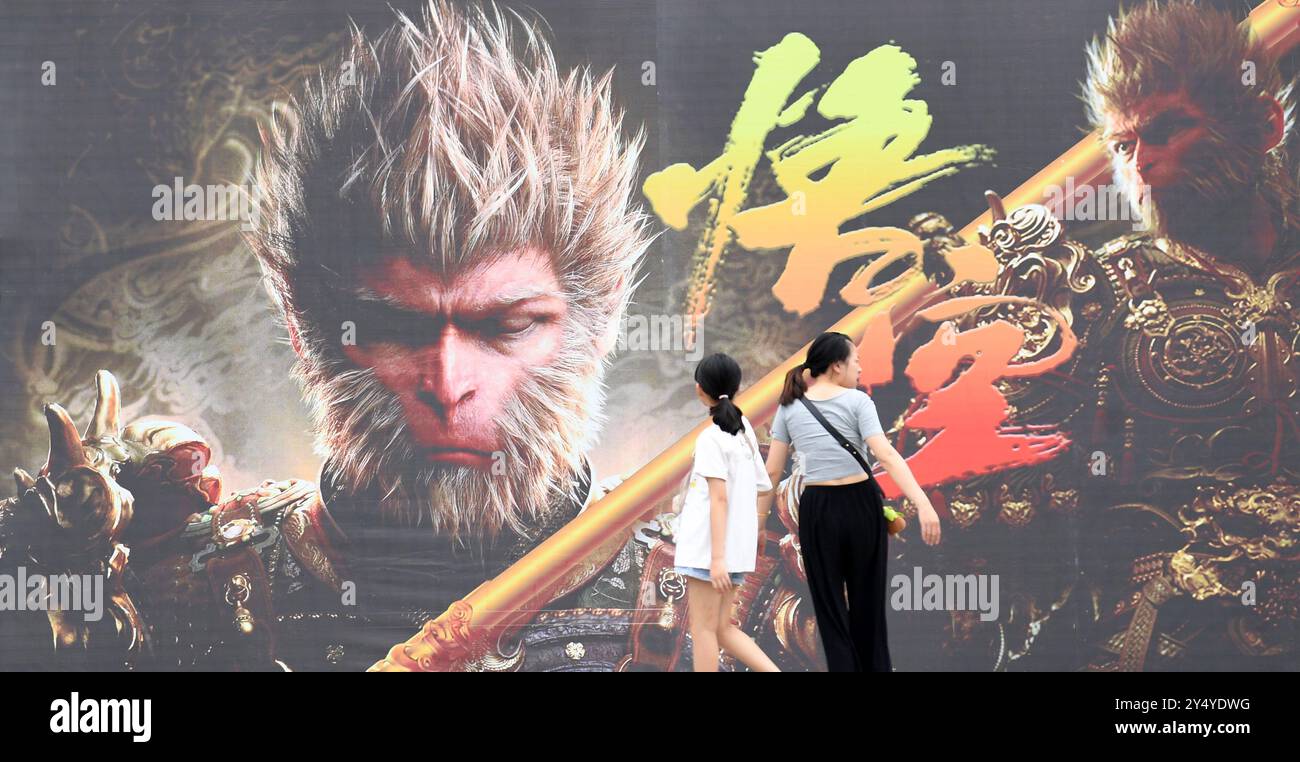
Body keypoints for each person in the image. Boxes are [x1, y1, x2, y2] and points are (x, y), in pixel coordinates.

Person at [760, 332, 941, 672]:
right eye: (855, 359)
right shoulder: (858, 403)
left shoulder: (790, 408)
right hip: (855, 506)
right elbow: (886, 456)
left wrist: (756, 523)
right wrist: (923, 503)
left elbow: (771, 473)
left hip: (814, 508)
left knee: (832, 620)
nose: (860, 366)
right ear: (837, 365)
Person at [674, 353, 780, 672]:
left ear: (699, 389)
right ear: (736, 387)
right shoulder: (743, 429)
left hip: (711, 550)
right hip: (735, 548)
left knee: (703, 630)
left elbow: (718, 499)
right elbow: (762, 484)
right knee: (722, 628)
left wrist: (717, 558)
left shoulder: (711, 438)